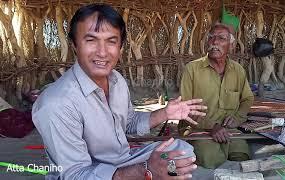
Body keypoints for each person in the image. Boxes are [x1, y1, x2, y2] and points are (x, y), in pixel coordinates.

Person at [32, 4, 207, 180]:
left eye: (111, 41)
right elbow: (75, 174)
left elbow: (128, 122)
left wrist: (165, 113)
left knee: (181, 150)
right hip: (89, 173)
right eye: (91, 40)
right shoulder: (57, 103)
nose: (102, 52)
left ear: (121, 47)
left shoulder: (117, 80)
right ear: (75, 45)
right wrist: (144, 171)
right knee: (164, 168)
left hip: (124, 161)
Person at [178, 23, 254, 169]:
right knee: (209, 158)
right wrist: (212, 126)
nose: (214, 42)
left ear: (231, 46)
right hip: (197, 128)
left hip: (228, 130)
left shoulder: (238, 70)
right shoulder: (192, 69)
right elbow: (184, 108)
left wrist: (237, 118)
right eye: (211, 38)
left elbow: (247, 99)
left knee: (242, 154)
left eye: (221, 38)